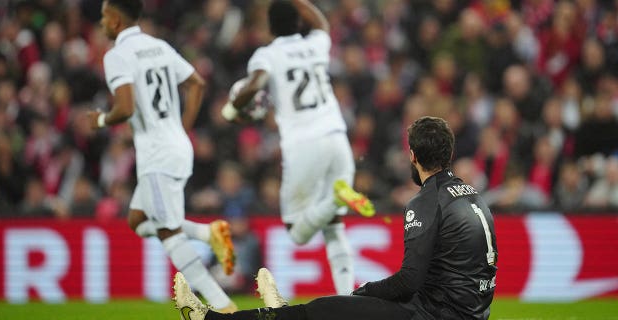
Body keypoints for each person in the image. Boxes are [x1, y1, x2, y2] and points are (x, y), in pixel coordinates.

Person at [174, 116, 499, 320]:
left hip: (435, 314)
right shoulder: (473, 196)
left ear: (412, 156)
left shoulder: (425, 202)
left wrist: (362, 292)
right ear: (449, 153)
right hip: (466, 312)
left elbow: (408, 281)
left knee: (324, 310)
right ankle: (284, 314)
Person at [88, 0, 237, 312]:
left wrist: (101, 120)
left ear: (115, 18)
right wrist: (181, 128)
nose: (101, 20)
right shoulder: (160, 47)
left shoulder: (117, 55)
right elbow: (196, 83)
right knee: (138, 220)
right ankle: (206, 232)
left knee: (169, 233)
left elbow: (125, 107)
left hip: (157, 154)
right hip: (177, 145)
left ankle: (222, 304)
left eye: (104, 14)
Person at [221, 0, 375, 296]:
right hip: (336, 137)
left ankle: (334, 200)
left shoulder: (267, 54)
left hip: (304, 143)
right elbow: (321, 24)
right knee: (334, 225)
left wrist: (231, 108)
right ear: (299, 23)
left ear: (270, 28)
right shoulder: (315, 43)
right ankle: (346, 298)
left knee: (297, 231)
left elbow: (252, 87)